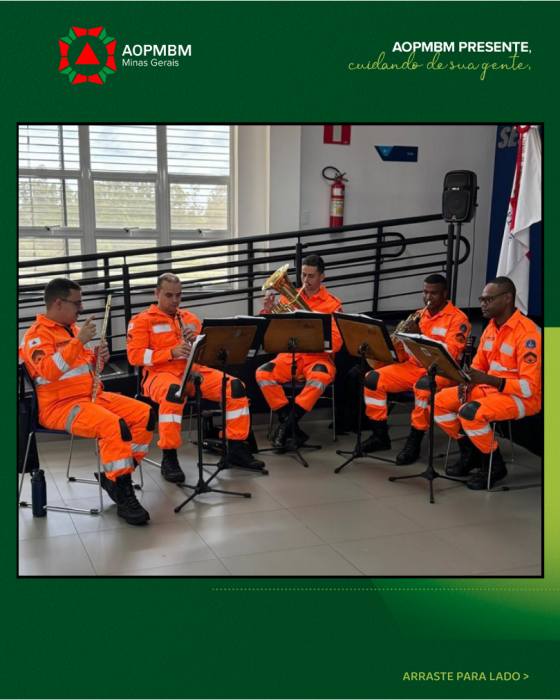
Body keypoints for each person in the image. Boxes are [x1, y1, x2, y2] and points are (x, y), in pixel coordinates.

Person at [19, 278, 153, 525]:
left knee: (145, 414)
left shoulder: (73, 329)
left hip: (92, 397)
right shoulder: (36, 336)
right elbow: (50, 370)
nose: (81, 309)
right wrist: (78, 341)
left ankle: (116, 479)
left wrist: (98, 358)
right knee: (113, 425)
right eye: (77, 303)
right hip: (59, 407)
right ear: (58, 303)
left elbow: (82, 367)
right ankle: (124, 494)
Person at [127, 273, 264, 482]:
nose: (175, 300)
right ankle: (169, 457)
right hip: (160, 375)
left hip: (195, 372)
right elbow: (134, 356)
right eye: (169, 295)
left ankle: (235, 448)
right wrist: (170, 353)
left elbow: (205, 353)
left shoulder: (190, 319)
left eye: (178, 295)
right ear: (157, 293)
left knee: (235, 387)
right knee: (174, 394)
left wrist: (196, 344)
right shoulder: (141, 320)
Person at [434, 277, 541, 489]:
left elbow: (530, 387)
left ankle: (494, 464)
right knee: (438, 401)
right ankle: (470, 453)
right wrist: (467, 380)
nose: (482, 304)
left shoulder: (529, 333)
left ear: (507, 298)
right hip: (488, 390)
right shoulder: (491, 328)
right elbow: (479, 365)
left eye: (488, 300)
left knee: (469, 413)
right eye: (481, 299)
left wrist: (488, 379)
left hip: (521, 398)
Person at [362, 274, 471, 464]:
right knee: (372, 379)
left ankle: (414, 441)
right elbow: (406, 354)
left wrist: (419, 336)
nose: (428, 297)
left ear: (445, 294)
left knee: (423, 387)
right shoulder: (419, 315)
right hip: (413, 367)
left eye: (434, 293)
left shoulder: (458, 319)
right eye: (425, 292)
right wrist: (397, 342)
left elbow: (451, 354)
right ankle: (380, 435)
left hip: (443, 372)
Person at [255, 254, 343, 448]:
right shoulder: (288, 297)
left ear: (322, 277)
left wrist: (314, 331)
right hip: (289, 357)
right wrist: (269, 312)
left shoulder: (333, 304)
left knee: (320, 377)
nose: (305, 280)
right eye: (303, 275)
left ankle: (286, 425)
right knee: (262, 373)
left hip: (318, 358)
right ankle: (291, 427)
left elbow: (336, 343)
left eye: (311, 276)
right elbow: (273, 334)